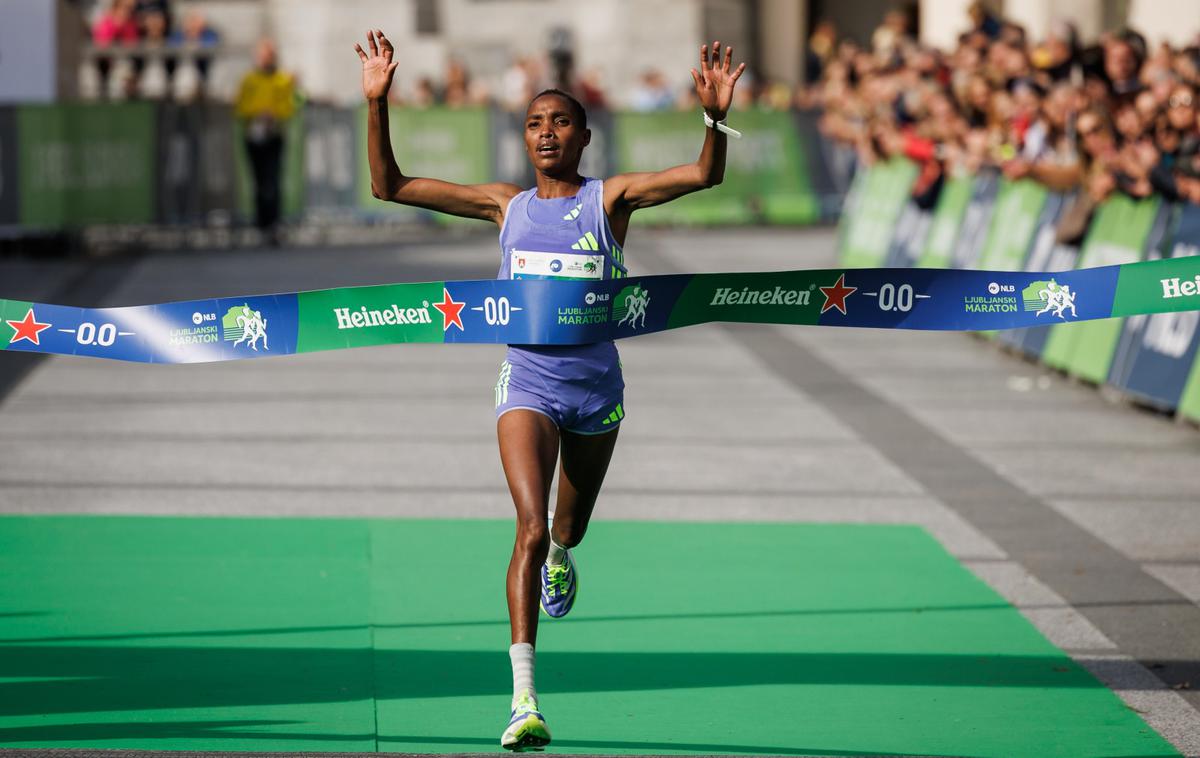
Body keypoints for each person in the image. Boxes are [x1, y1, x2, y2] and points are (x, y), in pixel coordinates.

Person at [354, 28, 744, 751]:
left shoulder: (611, 200)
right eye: (534, 123)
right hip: (526, 384)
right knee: (528, 528)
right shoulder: (506, 207)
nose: (545, 133)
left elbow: (701, 176)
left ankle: (565, 555)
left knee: (567, 531)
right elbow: (390, 185)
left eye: (559, 121)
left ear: (584, 136)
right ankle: (523, 699)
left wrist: (715, 119)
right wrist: (376, 103)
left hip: (597, 393)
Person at [235, 39, 296, 239]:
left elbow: (289, 106)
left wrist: (274, 114)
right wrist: (257, 113)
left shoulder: (283, 79)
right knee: (259, 180)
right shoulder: (248, 80)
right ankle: (261, 222)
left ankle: (274, 222)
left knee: (273, 179)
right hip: (254, 135)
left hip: (274, 134)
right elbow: (240, 107)